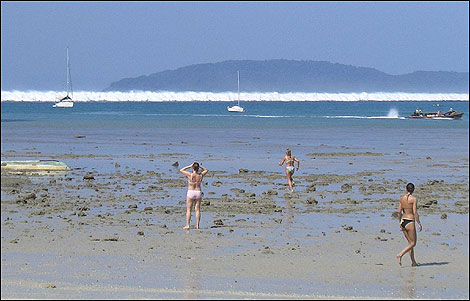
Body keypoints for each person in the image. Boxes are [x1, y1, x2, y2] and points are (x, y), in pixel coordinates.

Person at [396, 183, 422, 266]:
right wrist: (419, 223)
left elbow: (399, 212)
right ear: (413, 190)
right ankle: (400, 254)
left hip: (403, 221)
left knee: (410, 243)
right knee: (413, 243)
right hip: (410, 221)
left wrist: (399, 222)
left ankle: (413, 262)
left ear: (406, 189)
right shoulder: (413, 199)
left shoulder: (402, 198)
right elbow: (415, 212)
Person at [179, 162, 208, 230]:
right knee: (197, 209)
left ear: (193, 168)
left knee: (189, 209)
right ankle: (197, 225)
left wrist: (189, 166)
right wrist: (200, 167)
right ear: (198, 168)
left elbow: (181, 170)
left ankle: (187, 225)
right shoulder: (200, 175)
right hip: (198, 192)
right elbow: (206, 170)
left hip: (191, 192)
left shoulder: (190, 174)